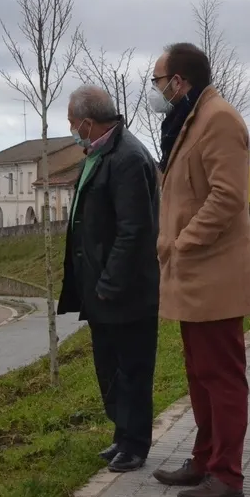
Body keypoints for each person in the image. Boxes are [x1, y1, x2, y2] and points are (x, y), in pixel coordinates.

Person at [149, 43, 250, 497]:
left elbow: (227, 196)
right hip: (194, 275)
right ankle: (204, 460)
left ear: (179, 81)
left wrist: (184, 241)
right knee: (200, 374)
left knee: (222, 378)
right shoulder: (189, 119)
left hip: (215, 272)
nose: (155, 90)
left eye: (157, 81)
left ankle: (227, 475)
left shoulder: (219, 119)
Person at [57, 84, 161, 473]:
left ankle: (136, 444)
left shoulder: (128, 157)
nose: (71, 129)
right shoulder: (99, 153)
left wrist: (110, 284)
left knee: (132, 368)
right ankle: (122, 435)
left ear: (88, 122)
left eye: (72, 122)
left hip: (125, 291)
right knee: (111, 367)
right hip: (100, 289)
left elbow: (134, 231)